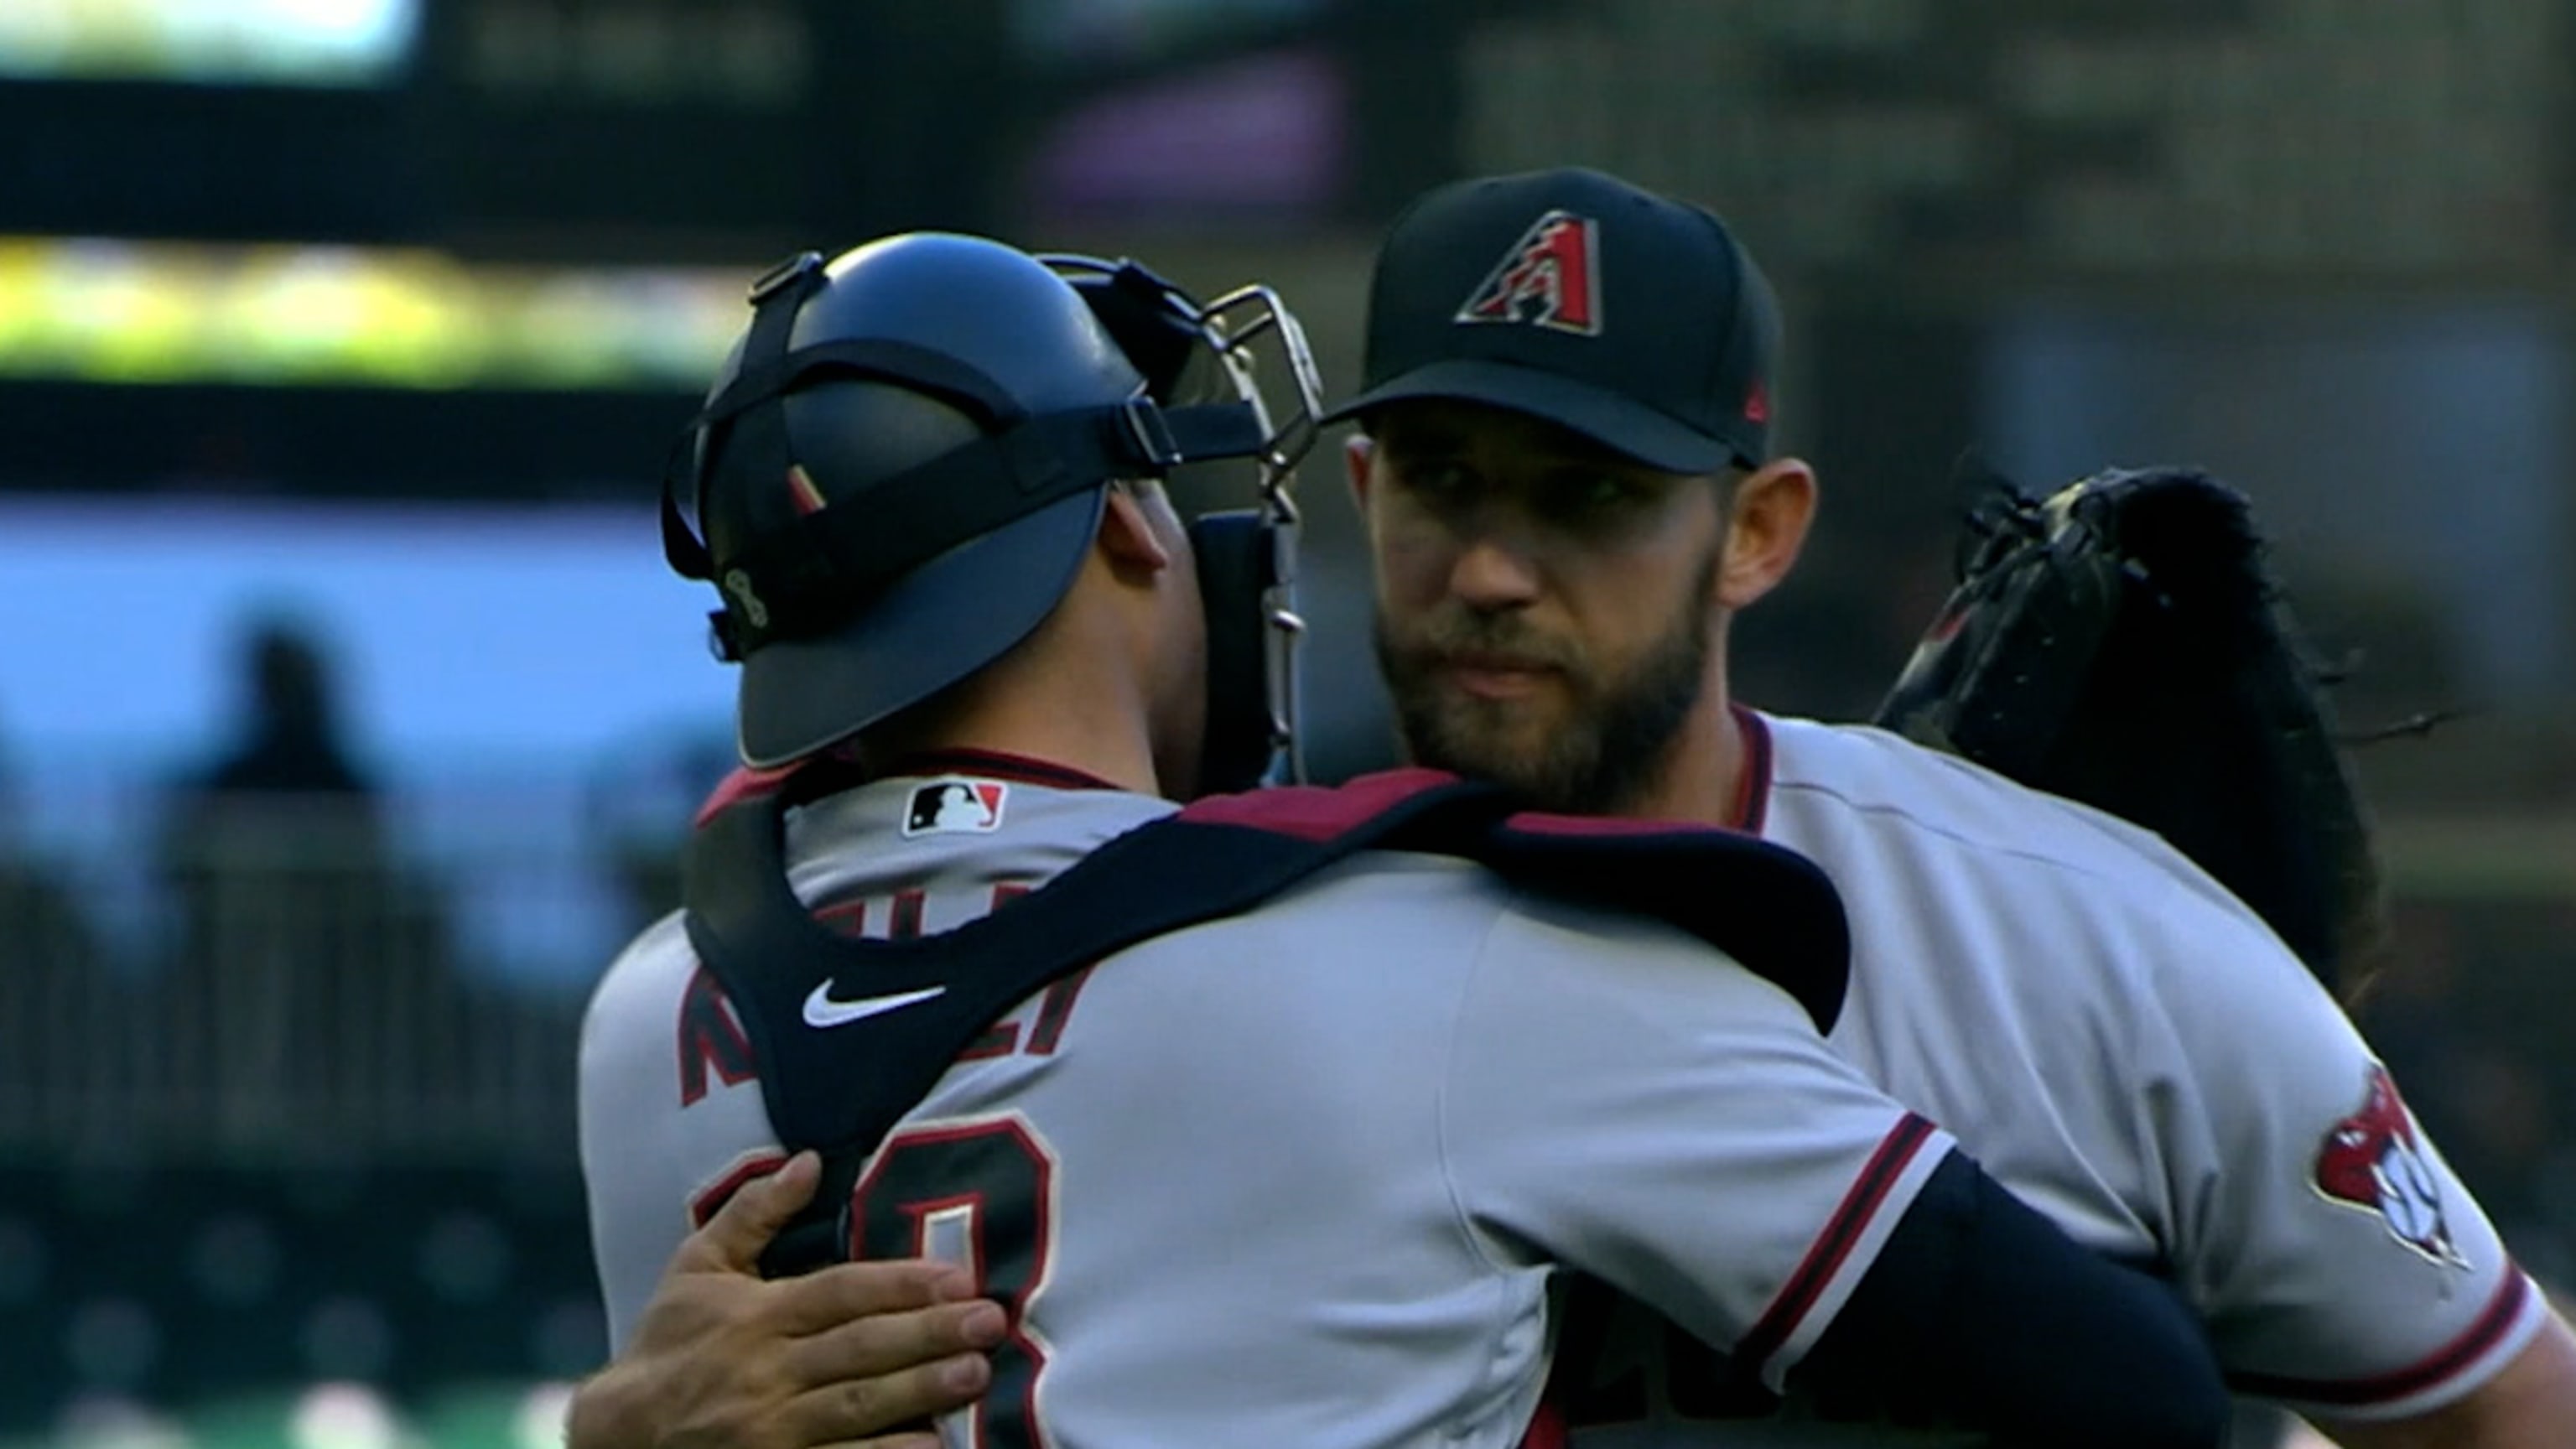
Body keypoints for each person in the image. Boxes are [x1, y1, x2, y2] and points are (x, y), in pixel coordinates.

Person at [566, 170, 2576, 1449]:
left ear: (1759, 531)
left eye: (1592, 495)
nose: (1498, 567)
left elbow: (2503, 1419)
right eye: (1444, 481)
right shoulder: (1384, 948)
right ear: (1352, 502)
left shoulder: (2100, 946)